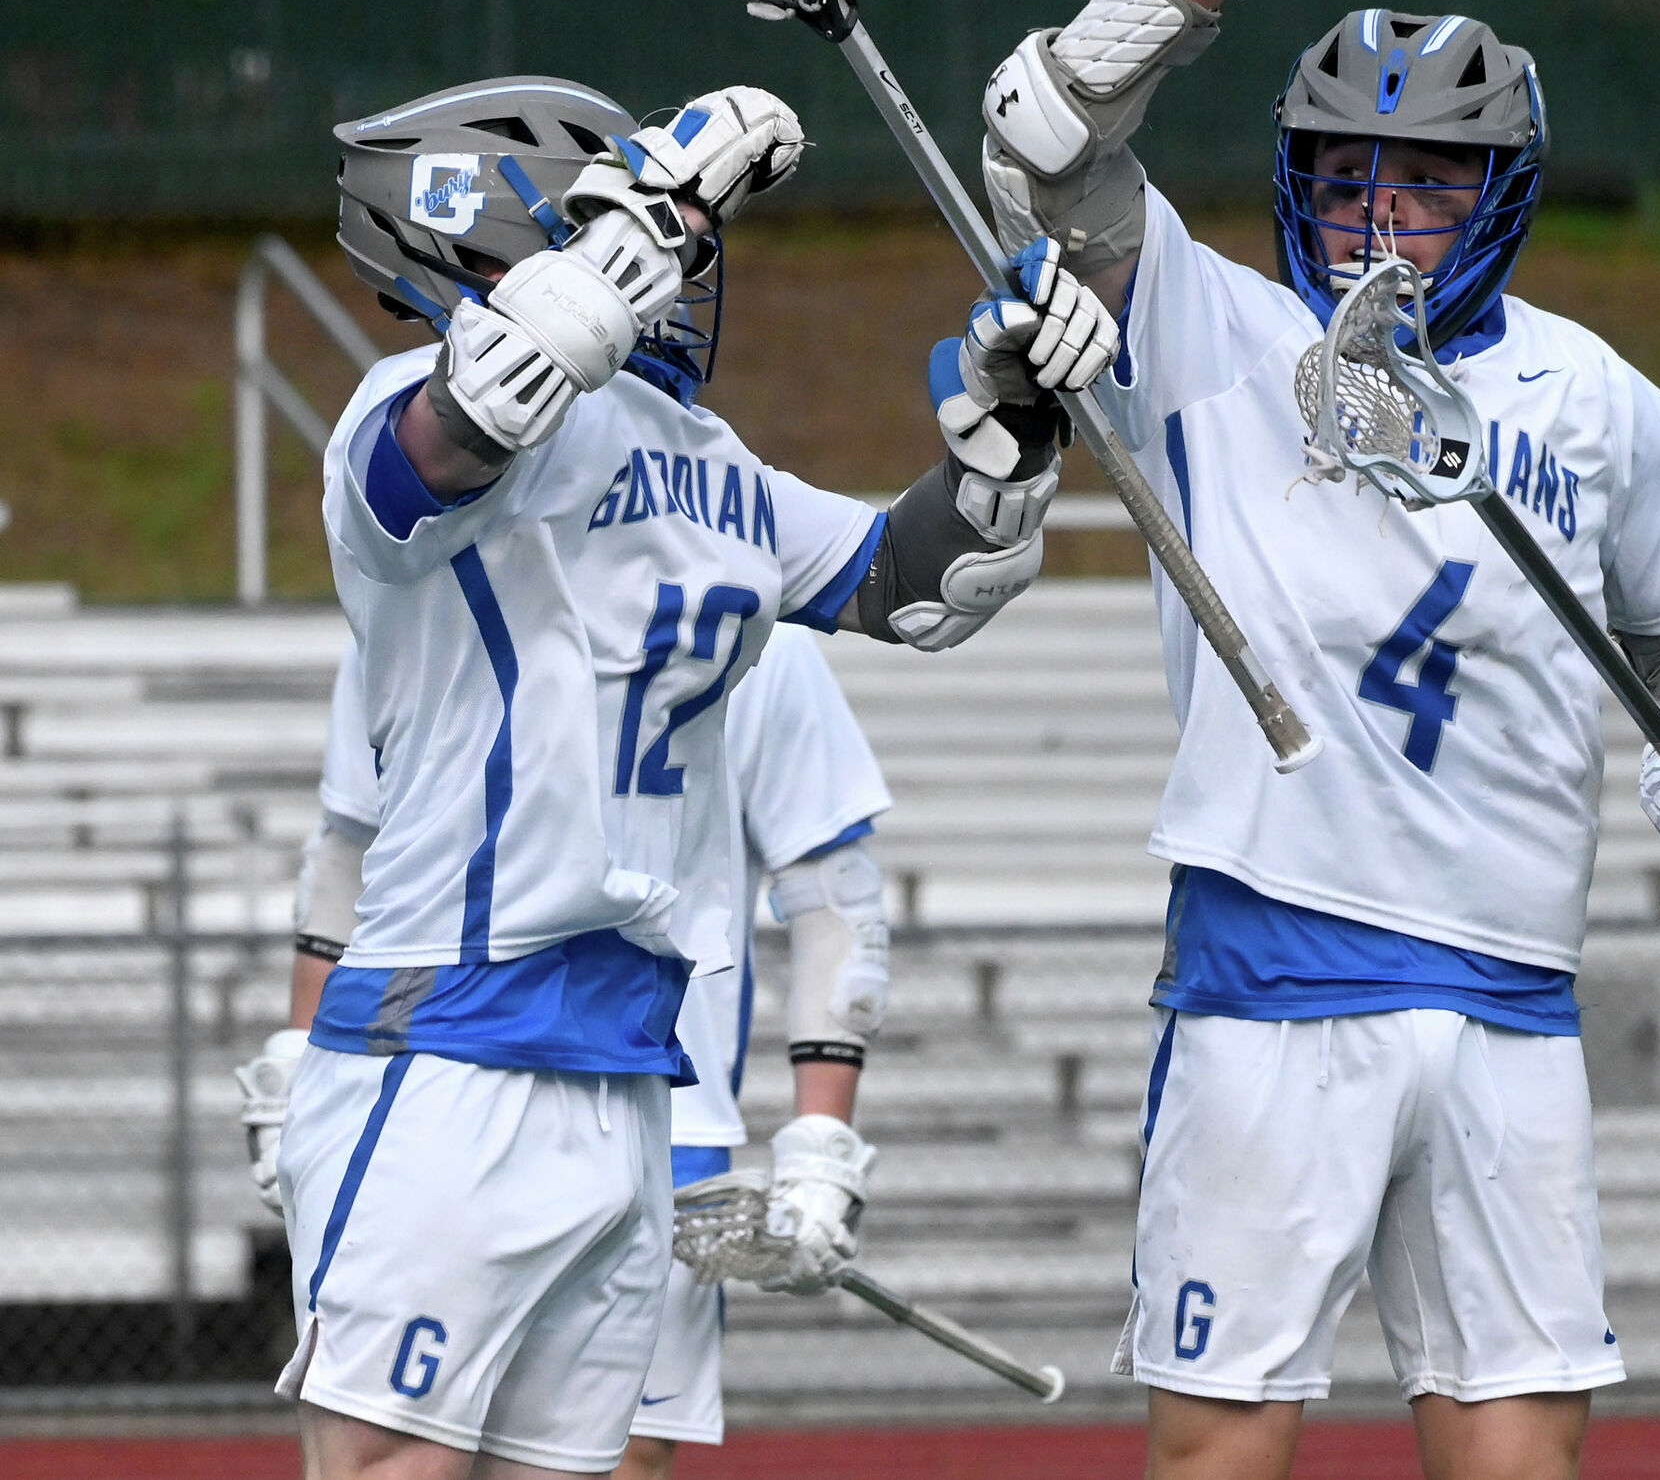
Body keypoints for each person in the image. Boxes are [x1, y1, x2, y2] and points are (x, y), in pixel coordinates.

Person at [975, 0, 1660, 1478]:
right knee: (1219, 1452)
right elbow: (1043, 134)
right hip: (1277, 963)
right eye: (1344, 173)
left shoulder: (1591, 393)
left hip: (1512, 987)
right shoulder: (1202, 331)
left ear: (1501, 192)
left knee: (1519, 1460)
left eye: (1425, 179)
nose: (1378, 213)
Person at [262, 73, 1116, 1479]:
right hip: (445, 1043)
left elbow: (921, 584)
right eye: (625, 223)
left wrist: (1009, 436)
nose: (683, 270)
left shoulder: (705, 457)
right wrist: (645, 216)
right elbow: (471, 418)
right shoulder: (396, 414)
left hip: (624, 1075)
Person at [241, 623, 892, 1479]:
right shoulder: (423, 592)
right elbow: (348, 848)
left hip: (661, 1110)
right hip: (438, 1082)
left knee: (617, 1457)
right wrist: (299, 1053)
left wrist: (820, 1146)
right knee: (396, 1455)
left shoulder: (752, 613)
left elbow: (835, 891)